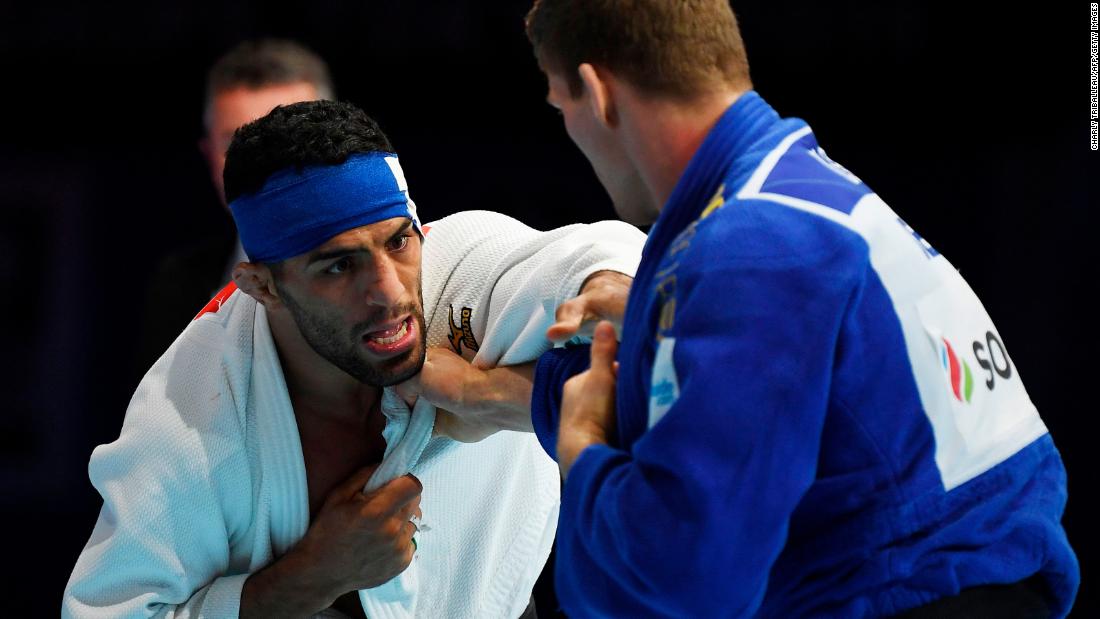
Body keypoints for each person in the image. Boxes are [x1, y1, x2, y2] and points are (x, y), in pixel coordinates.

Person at [410, 1, 1081, 616]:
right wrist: (630, 340)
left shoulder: (751, 251)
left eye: (562, 108)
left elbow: (679, 580)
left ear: (600, 92)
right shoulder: (807, 195)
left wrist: (580, 448)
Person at [63, 100, 645, 618]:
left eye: (398, 241)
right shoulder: (193, 420)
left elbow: (592, 252)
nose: (389, 291)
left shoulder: (462, 273)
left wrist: (481, 392)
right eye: (339, 266)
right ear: (261, 287)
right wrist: (313, 577)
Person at [137, 38, 334, 372]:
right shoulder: (177, 287)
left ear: (334, 144)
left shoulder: (402, 272)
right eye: (236, 143)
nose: (263, 163)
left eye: (289, 138)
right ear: (209, 155)